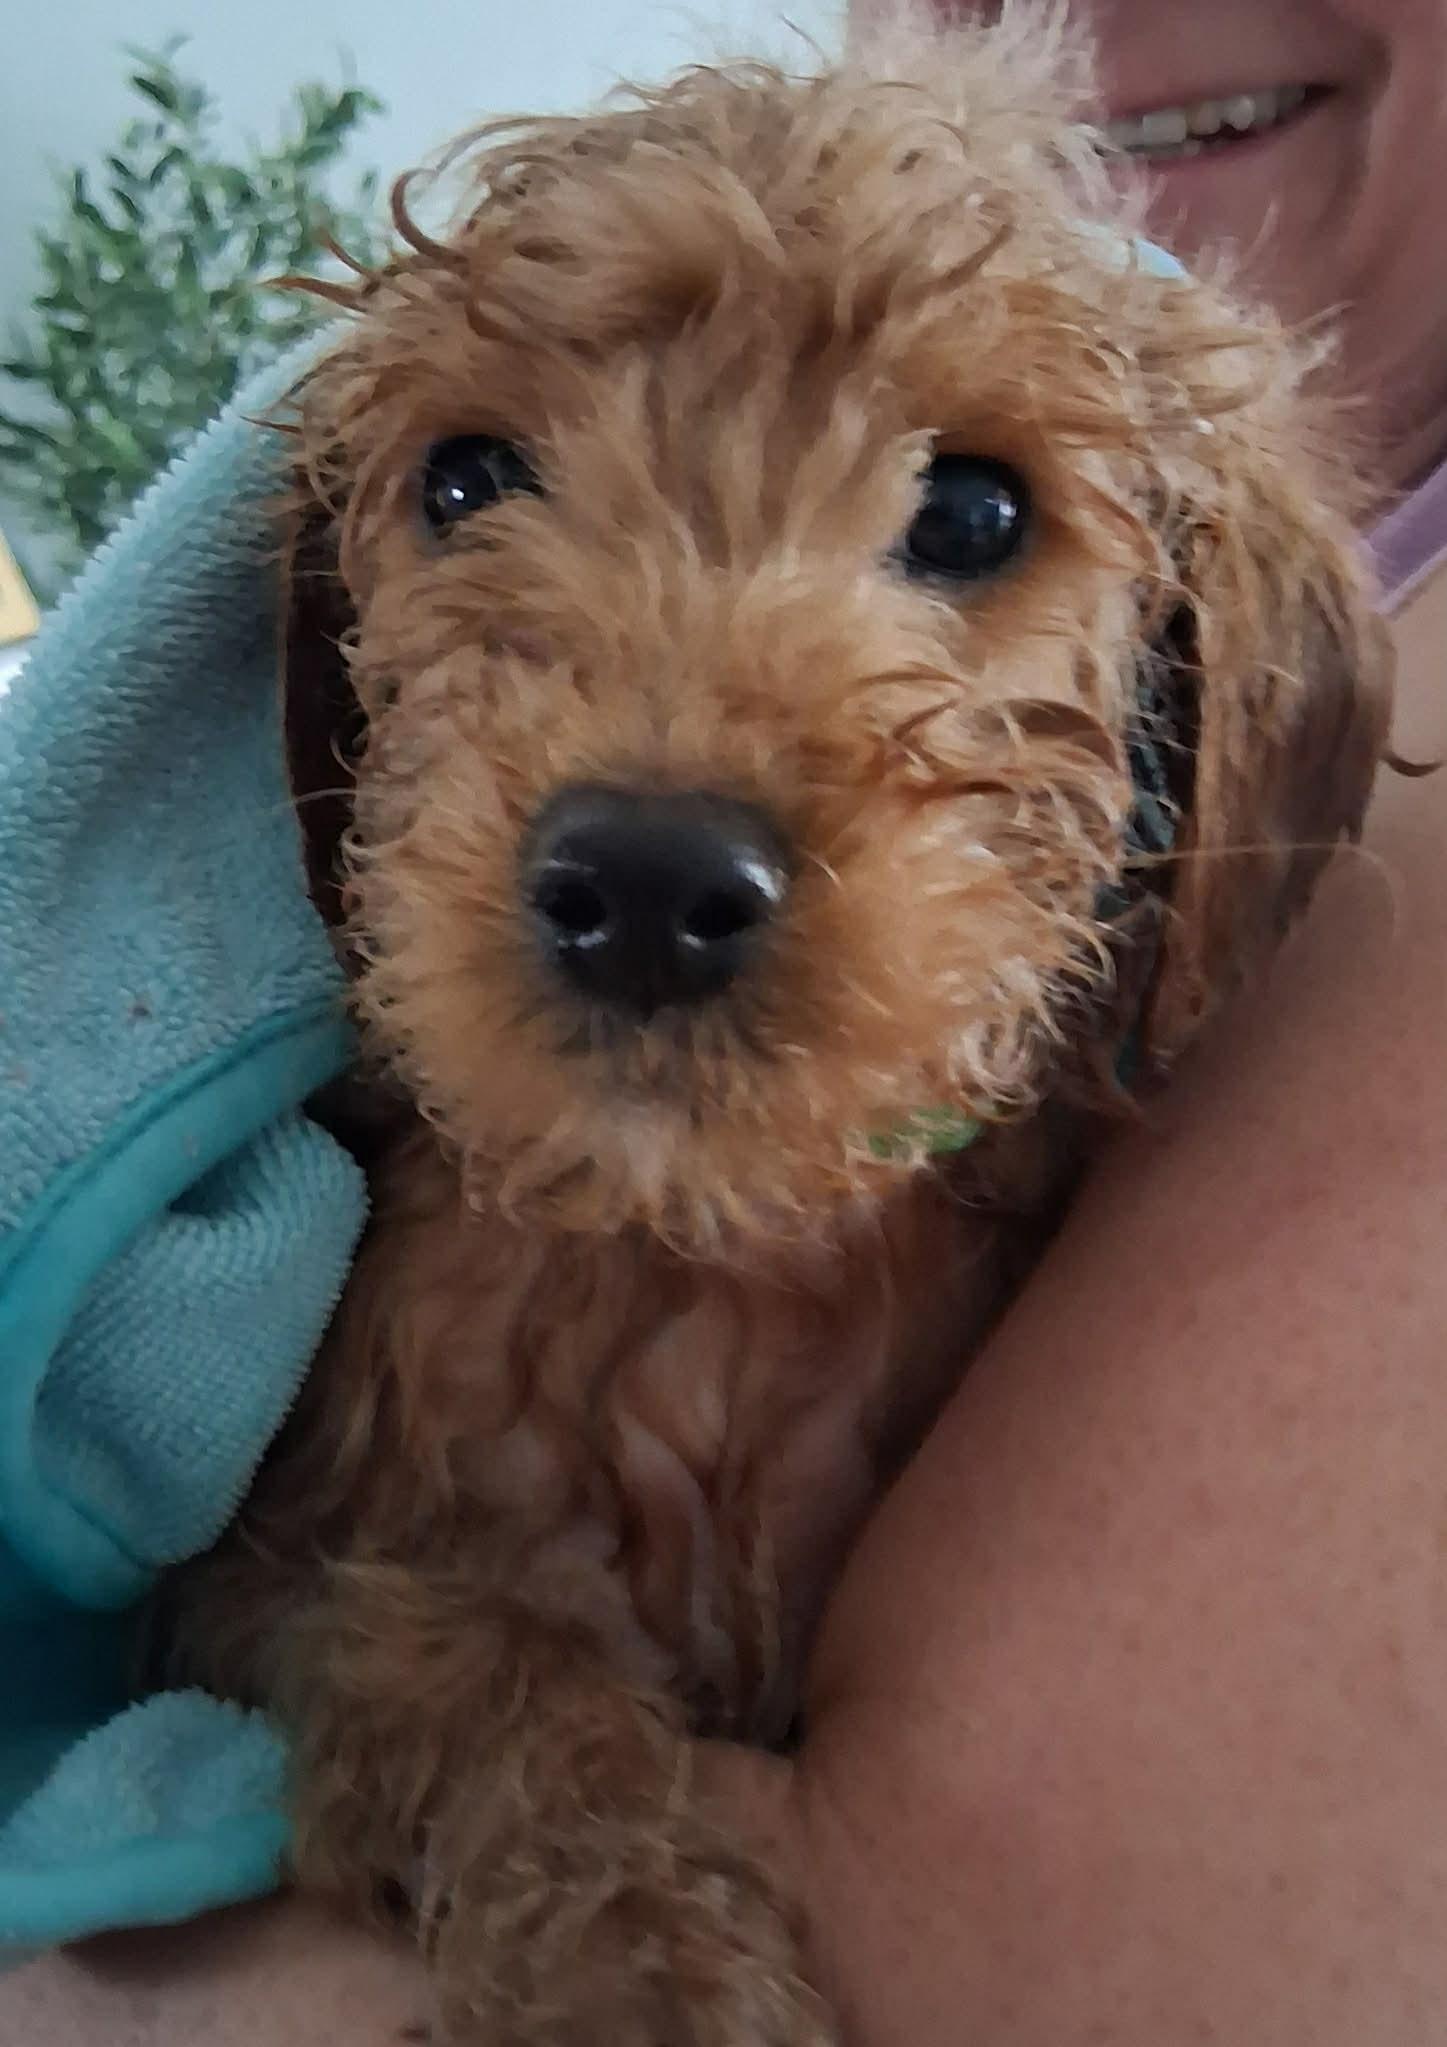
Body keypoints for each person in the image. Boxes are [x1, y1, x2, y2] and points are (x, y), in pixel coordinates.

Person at [6, 1, 1447, 2039]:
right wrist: (517, 1774)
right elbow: (263, 1614)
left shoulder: (1141, 1203)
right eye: (477, 478)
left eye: (966, 520)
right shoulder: (371, 1263)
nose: (670, 737)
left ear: (1221, 710)